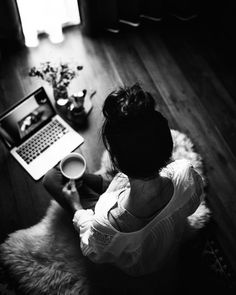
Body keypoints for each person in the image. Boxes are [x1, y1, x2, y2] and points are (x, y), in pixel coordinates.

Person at [43, 83, 204, 280]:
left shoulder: (107, 220)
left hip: (138, 257)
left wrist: (74, 204)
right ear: (166, 146)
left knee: (52, 178)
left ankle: (79, 186)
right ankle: (84, 179)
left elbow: (92, 250)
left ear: (115, 161)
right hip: (135, 191)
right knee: (75, 176)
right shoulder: (186, 172)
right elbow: (192, 203)